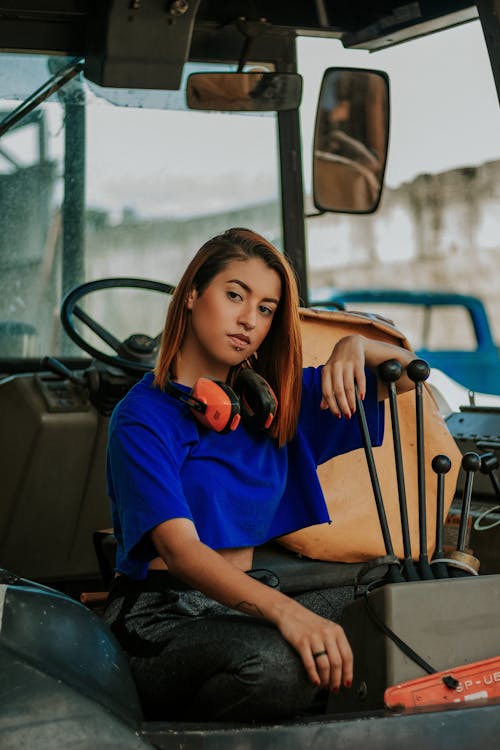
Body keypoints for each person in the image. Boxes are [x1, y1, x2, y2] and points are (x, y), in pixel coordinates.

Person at [103, 227, 415, 722]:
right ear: (191, 296)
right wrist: (289, 615)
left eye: (266, 308)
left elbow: (410, 373)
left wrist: (352, 346)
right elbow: (181, 552)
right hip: (162, 617)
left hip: (246, 599)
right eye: (234, 296)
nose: (249, 319)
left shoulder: (270, 406)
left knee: (404, 594)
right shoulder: (142, 416)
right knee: (276, 666)